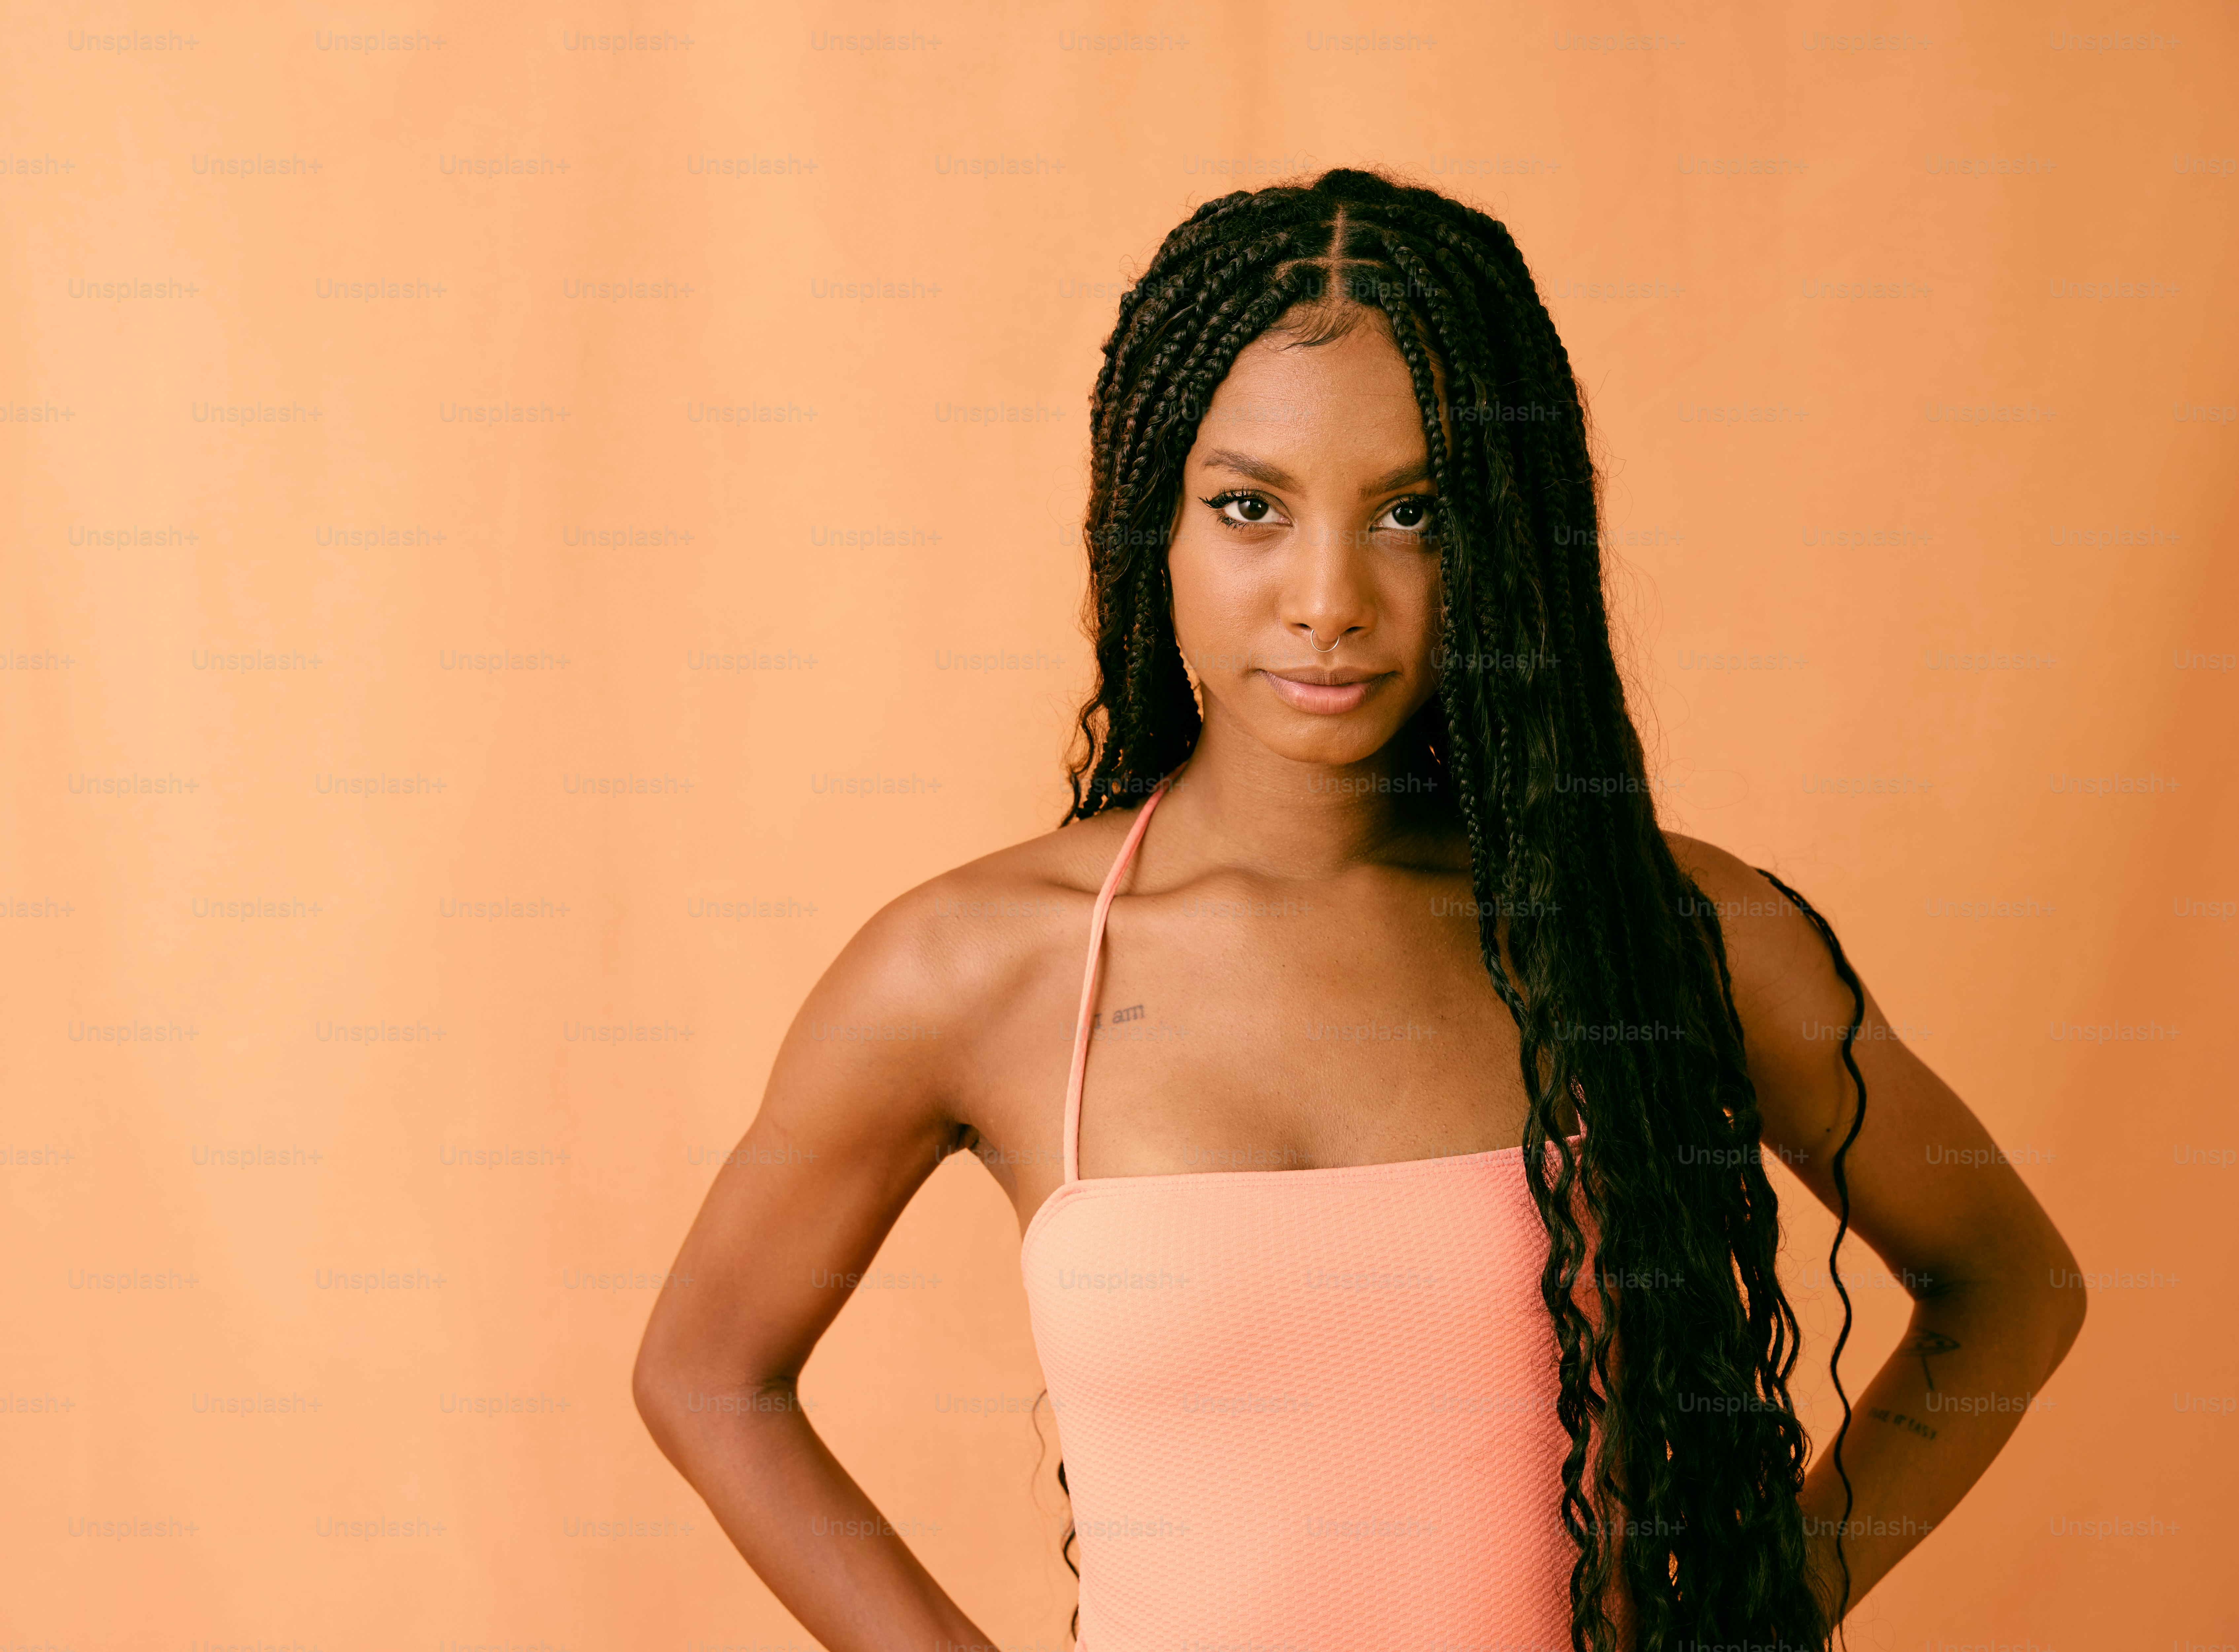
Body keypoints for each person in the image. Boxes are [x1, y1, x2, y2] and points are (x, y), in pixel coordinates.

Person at [634, 168, 2085, 1652]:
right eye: (1251, 507)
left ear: (1509, 541)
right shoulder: (974, 969)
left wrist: (1758, 1621)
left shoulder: (1665, 932)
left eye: (1412, 513)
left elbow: (2009, 1288)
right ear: (1156, 525)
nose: (1328, 597)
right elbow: (706, 1374)